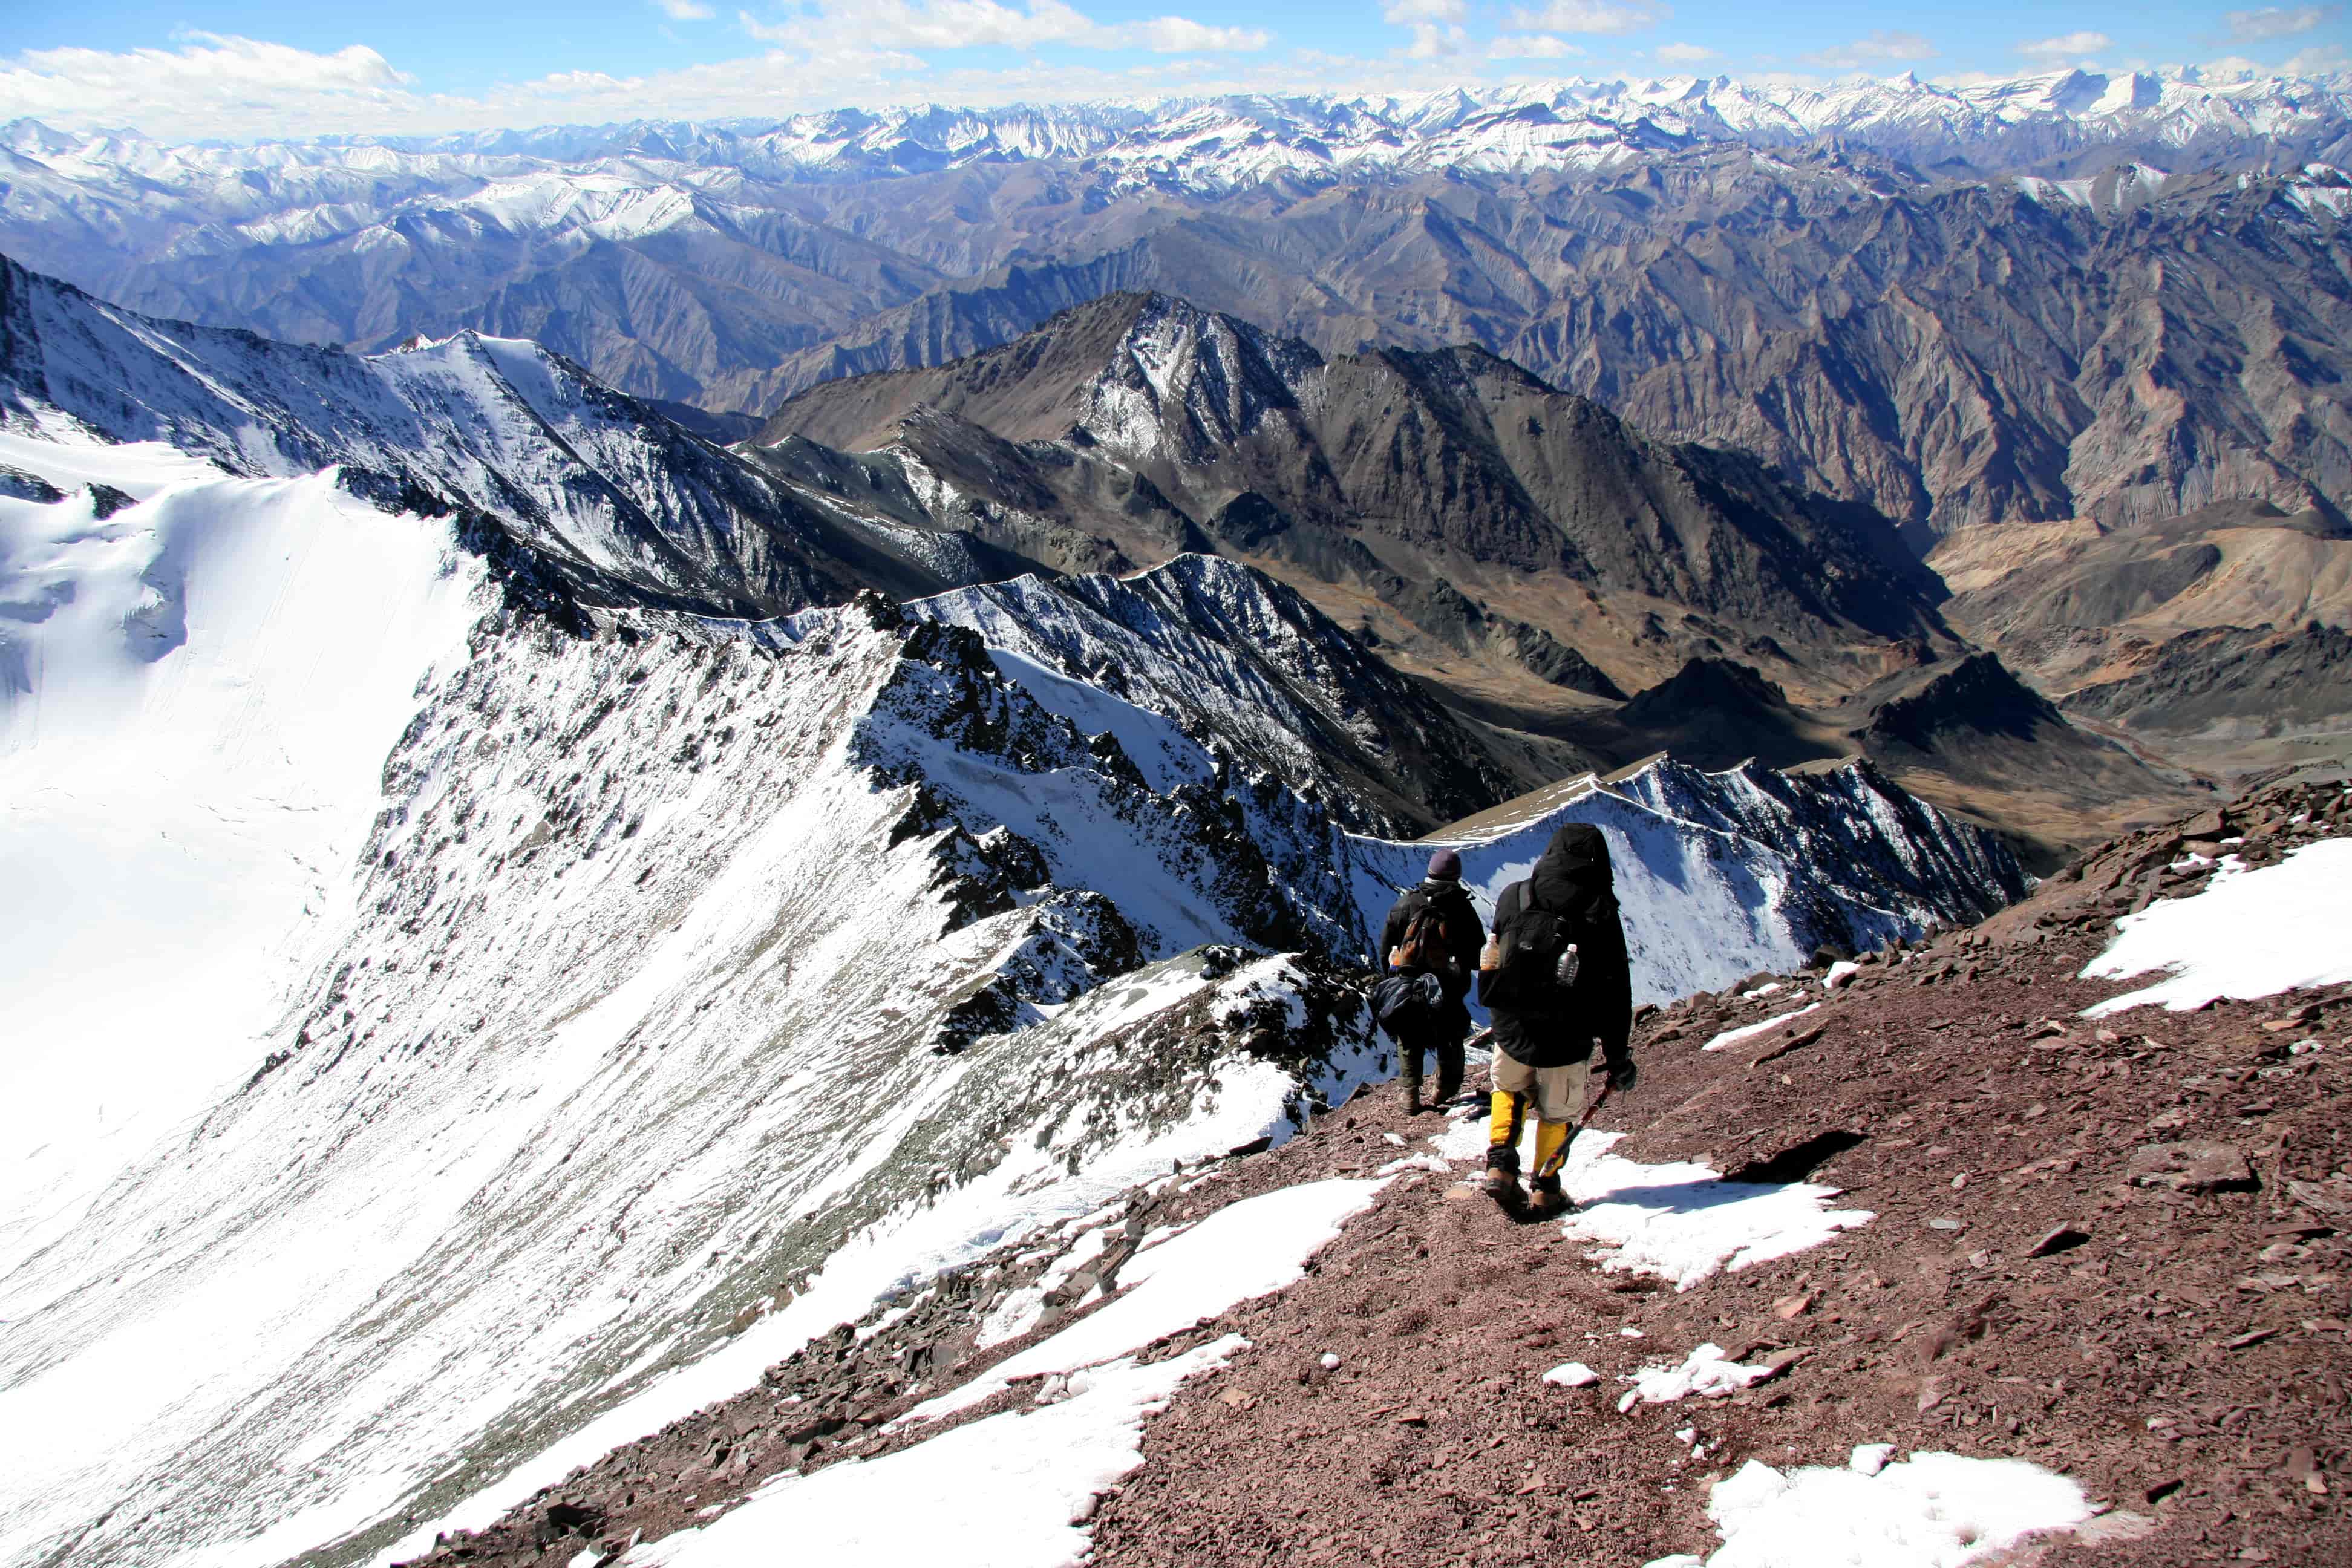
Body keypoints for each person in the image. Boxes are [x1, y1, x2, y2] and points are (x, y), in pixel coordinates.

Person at [1476, 822, 1637, 1218]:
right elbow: (1616, 989)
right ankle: (1546, 1190)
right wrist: (1618, 1057)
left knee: (1508, 1090)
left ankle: (1500, 1166)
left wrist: (1500, 1018)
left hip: (1512, 1026)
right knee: (1557, 1113)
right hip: (1567, 1035)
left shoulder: (1514, 895)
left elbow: (1494, 956)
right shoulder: (1599, 908)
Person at [1378, 848, 1485, 1114]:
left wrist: (1393, 978)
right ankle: (1443, 1092)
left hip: (1409, 988)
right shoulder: (1462, 909)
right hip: (1448, 989)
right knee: (1450, 1038)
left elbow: (1387, 950)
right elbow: (1477, 956)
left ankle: (1409, 1096)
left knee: (1409, 1038)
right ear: (1456, 876)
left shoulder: (1405, 905)